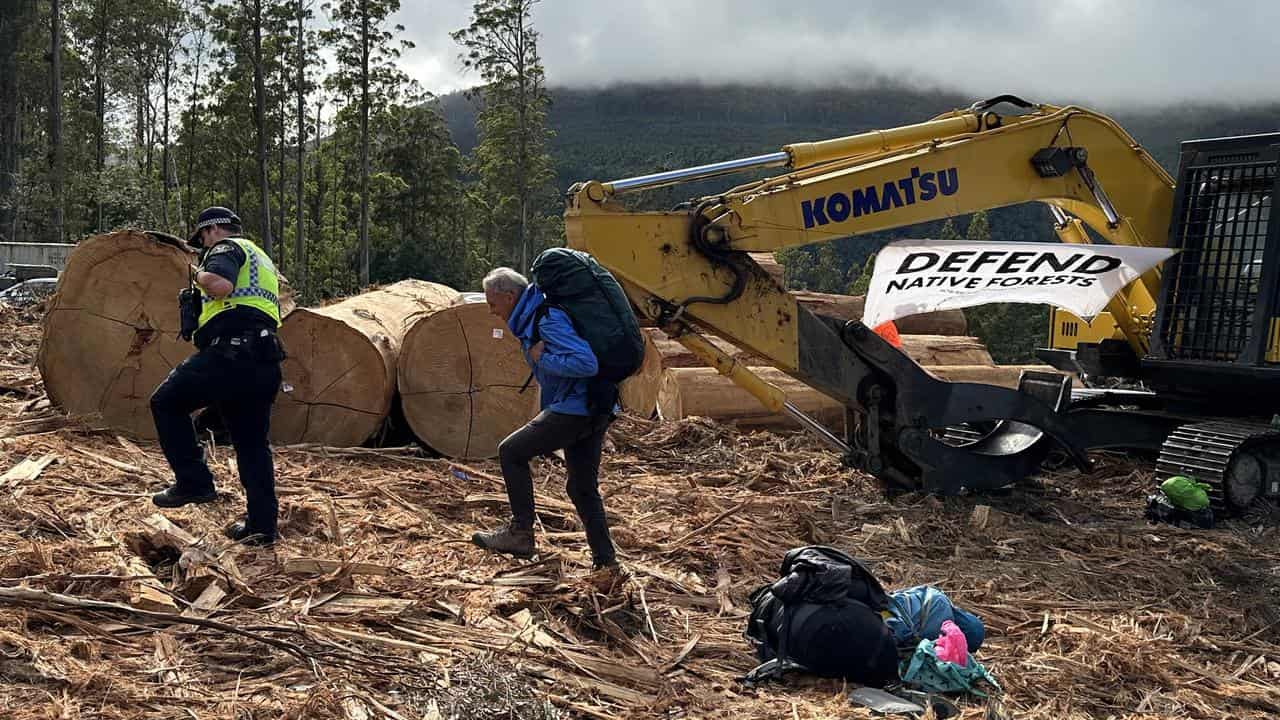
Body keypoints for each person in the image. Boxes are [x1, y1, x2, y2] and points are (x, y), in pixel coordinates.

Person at [150, 207, 285, 546]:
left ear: (212, 231)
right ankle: (262, 527)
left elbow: (221, 285)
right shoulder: (261, 259)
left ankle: (194, 481)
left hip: (231, 354)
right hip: (263, 359)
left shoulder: (225, 249)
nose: (202, 246)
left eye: (202, 240)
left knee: (166, 402)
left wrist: (198, 275)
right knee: (253, 445)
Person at [472, 267, 619, 570]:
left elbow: (585, 363)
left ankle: (521, 534)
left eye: (493, 304)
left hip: (577, 409)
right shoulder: (534, 315)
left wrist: (543, 358)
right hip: (594, 408)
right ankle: (606, 562)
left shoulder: (546, 318)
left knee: (511, 451)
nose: (492, 311)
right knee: (581, 488)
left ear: (510, 296)